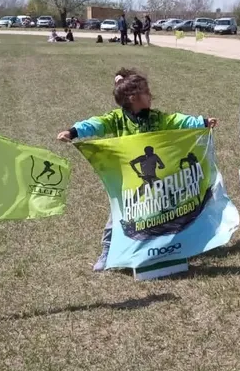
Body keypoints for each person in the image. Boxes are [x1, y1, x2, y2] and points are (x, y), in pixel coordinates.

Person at [56, 68, 218, 271]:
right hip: (128, 181)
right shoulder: (116, 119)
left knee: (164, 211)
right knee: (120, 215)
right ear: (133, 98)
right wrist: (73, 132)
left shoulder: (157, 118)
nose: (151, 95)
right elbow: (95, 124)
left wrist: (201, 122)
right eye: (146, 92)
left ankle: (167, 247)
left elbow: (176, 120)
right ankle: (107, 252)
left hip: (158, 181)